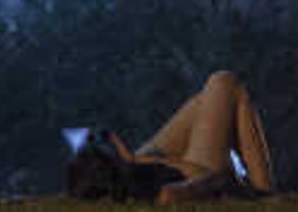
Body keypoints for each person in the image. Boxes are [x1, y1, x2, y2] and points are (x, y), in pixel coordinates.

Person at [75, 71, 276, 199]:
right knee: (223, 82)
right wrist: (140, 160)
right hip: (188, 168)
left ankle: (263, 182)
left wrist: (133, 158)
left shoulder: (129, 174)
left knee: (204, 100)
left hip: (146, 164)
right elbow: (211, 177)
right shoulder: (163, 193)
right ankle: (263, 184)